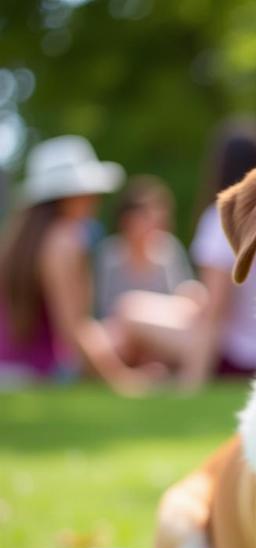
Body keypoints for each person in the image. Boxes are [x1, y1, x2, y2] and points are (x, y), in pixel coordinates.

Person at [0, 135, 163, 394]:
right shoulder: (63, 241)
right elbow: (73, 329)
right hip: (39, 373)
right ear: (68, 196)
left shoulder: (23, 240)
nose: (95, 199)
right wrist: (123, 381)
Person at [188, 118, 256, 380]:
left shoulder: (220, 220)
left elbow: (216, 307)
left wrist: (192, 379)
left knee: (131, 312)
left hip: (236, 356)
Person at [95, 176, 193, 318]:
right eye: (146, 218)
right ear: (126, 220)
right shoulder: (108, 254)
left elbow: (183, 300)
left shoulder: (169, 248)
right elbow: (102, 308)